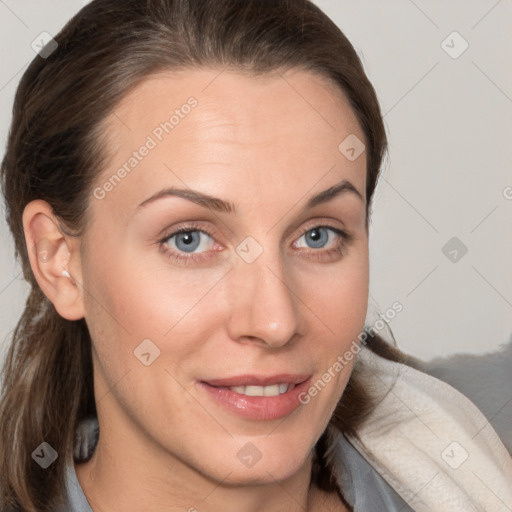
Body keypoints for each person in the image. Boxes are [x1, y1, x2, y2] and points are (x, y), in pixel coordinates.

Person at [0, 1, 510, 511]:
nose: (275, 322)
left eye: (318, 236)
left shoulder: (479, 450)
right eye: (189, 239)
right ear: (59, 260)